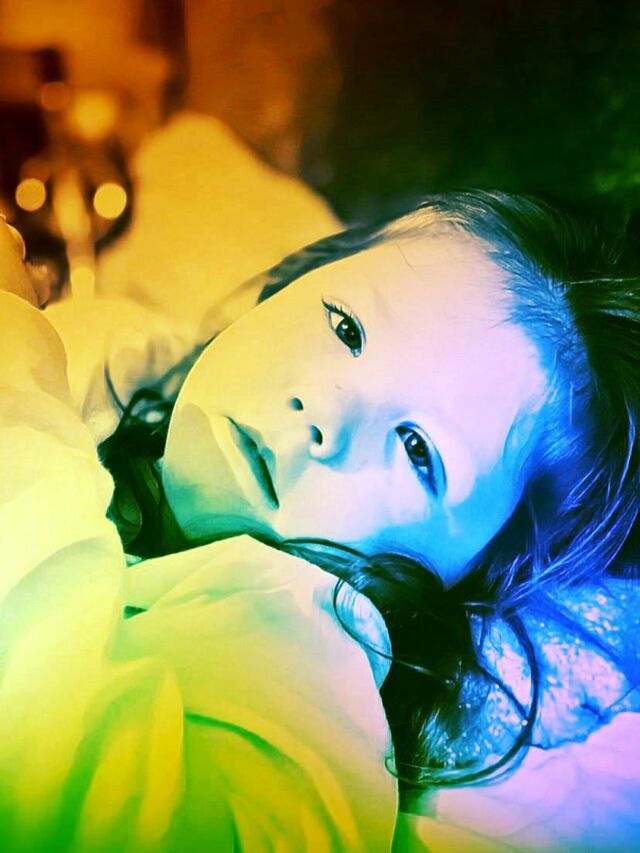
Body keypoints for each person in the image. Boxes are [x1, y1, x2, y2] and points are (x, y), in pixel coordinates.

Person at [0, 189, 638, 849]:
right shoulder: (109, 355)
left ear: (474, 570)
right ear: (293, 280)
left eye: (418, 450)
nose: (323, 413)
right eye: (346, 329)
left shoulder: (304, 673)